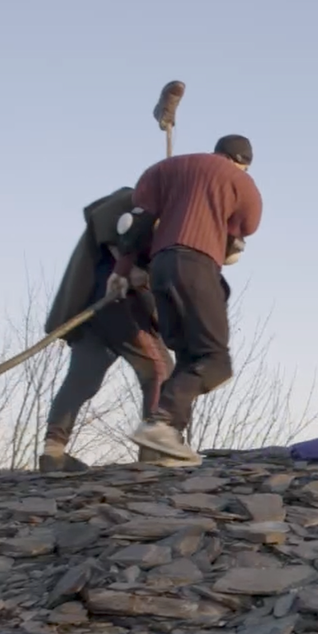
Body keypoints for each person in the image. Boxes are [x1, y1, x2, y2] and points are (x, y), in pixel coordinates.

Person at [115, 133, 262, 464]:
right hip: (196, 265)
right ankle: (162, 423)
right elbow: (248, 224)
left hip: (160, 268)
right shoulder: (240, 180)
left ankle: (169, 444)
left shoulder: (166, 168)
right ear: (243, 162)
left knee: (188, 357)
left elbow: (136, 224)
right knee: (215, 361)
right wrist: (228, 234)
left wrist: (121, 270)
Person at [37, 187, 184, 474]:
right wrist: (125, 266)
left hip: (96, 309)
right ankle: (154, 452)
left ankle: (53, 451)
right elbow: (102, 213)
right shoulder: (139, 199)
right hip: (117, 304)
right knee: (158, 370)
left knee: (83, 379)